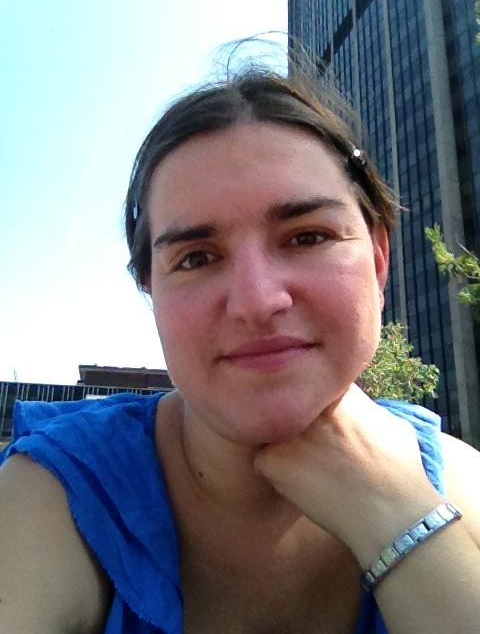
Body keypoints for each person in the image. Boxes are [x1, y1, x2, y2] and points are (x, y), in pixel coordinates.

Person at [1, 51, 480, 634]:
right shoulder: (53, 494)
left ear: (378, 261)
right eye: (196, 258)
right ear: (152, 293)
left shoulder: (462, 486)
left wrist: (399, 517)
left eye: (308, 236)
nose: (257, 300)